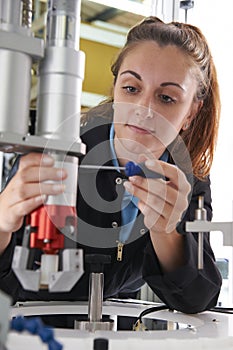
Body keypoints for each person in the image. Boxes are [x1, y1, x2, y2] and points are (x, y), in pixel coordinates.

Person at [0, 16, 222, 315]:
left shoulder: (188, 179)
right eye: (131, 89)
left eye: (167, 97)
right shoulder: (58, 151)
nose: (144, 110)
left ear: (191, 112)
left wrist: (165, 231)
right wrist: (2, 220)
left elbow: (197, 298)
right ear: (116, 88)